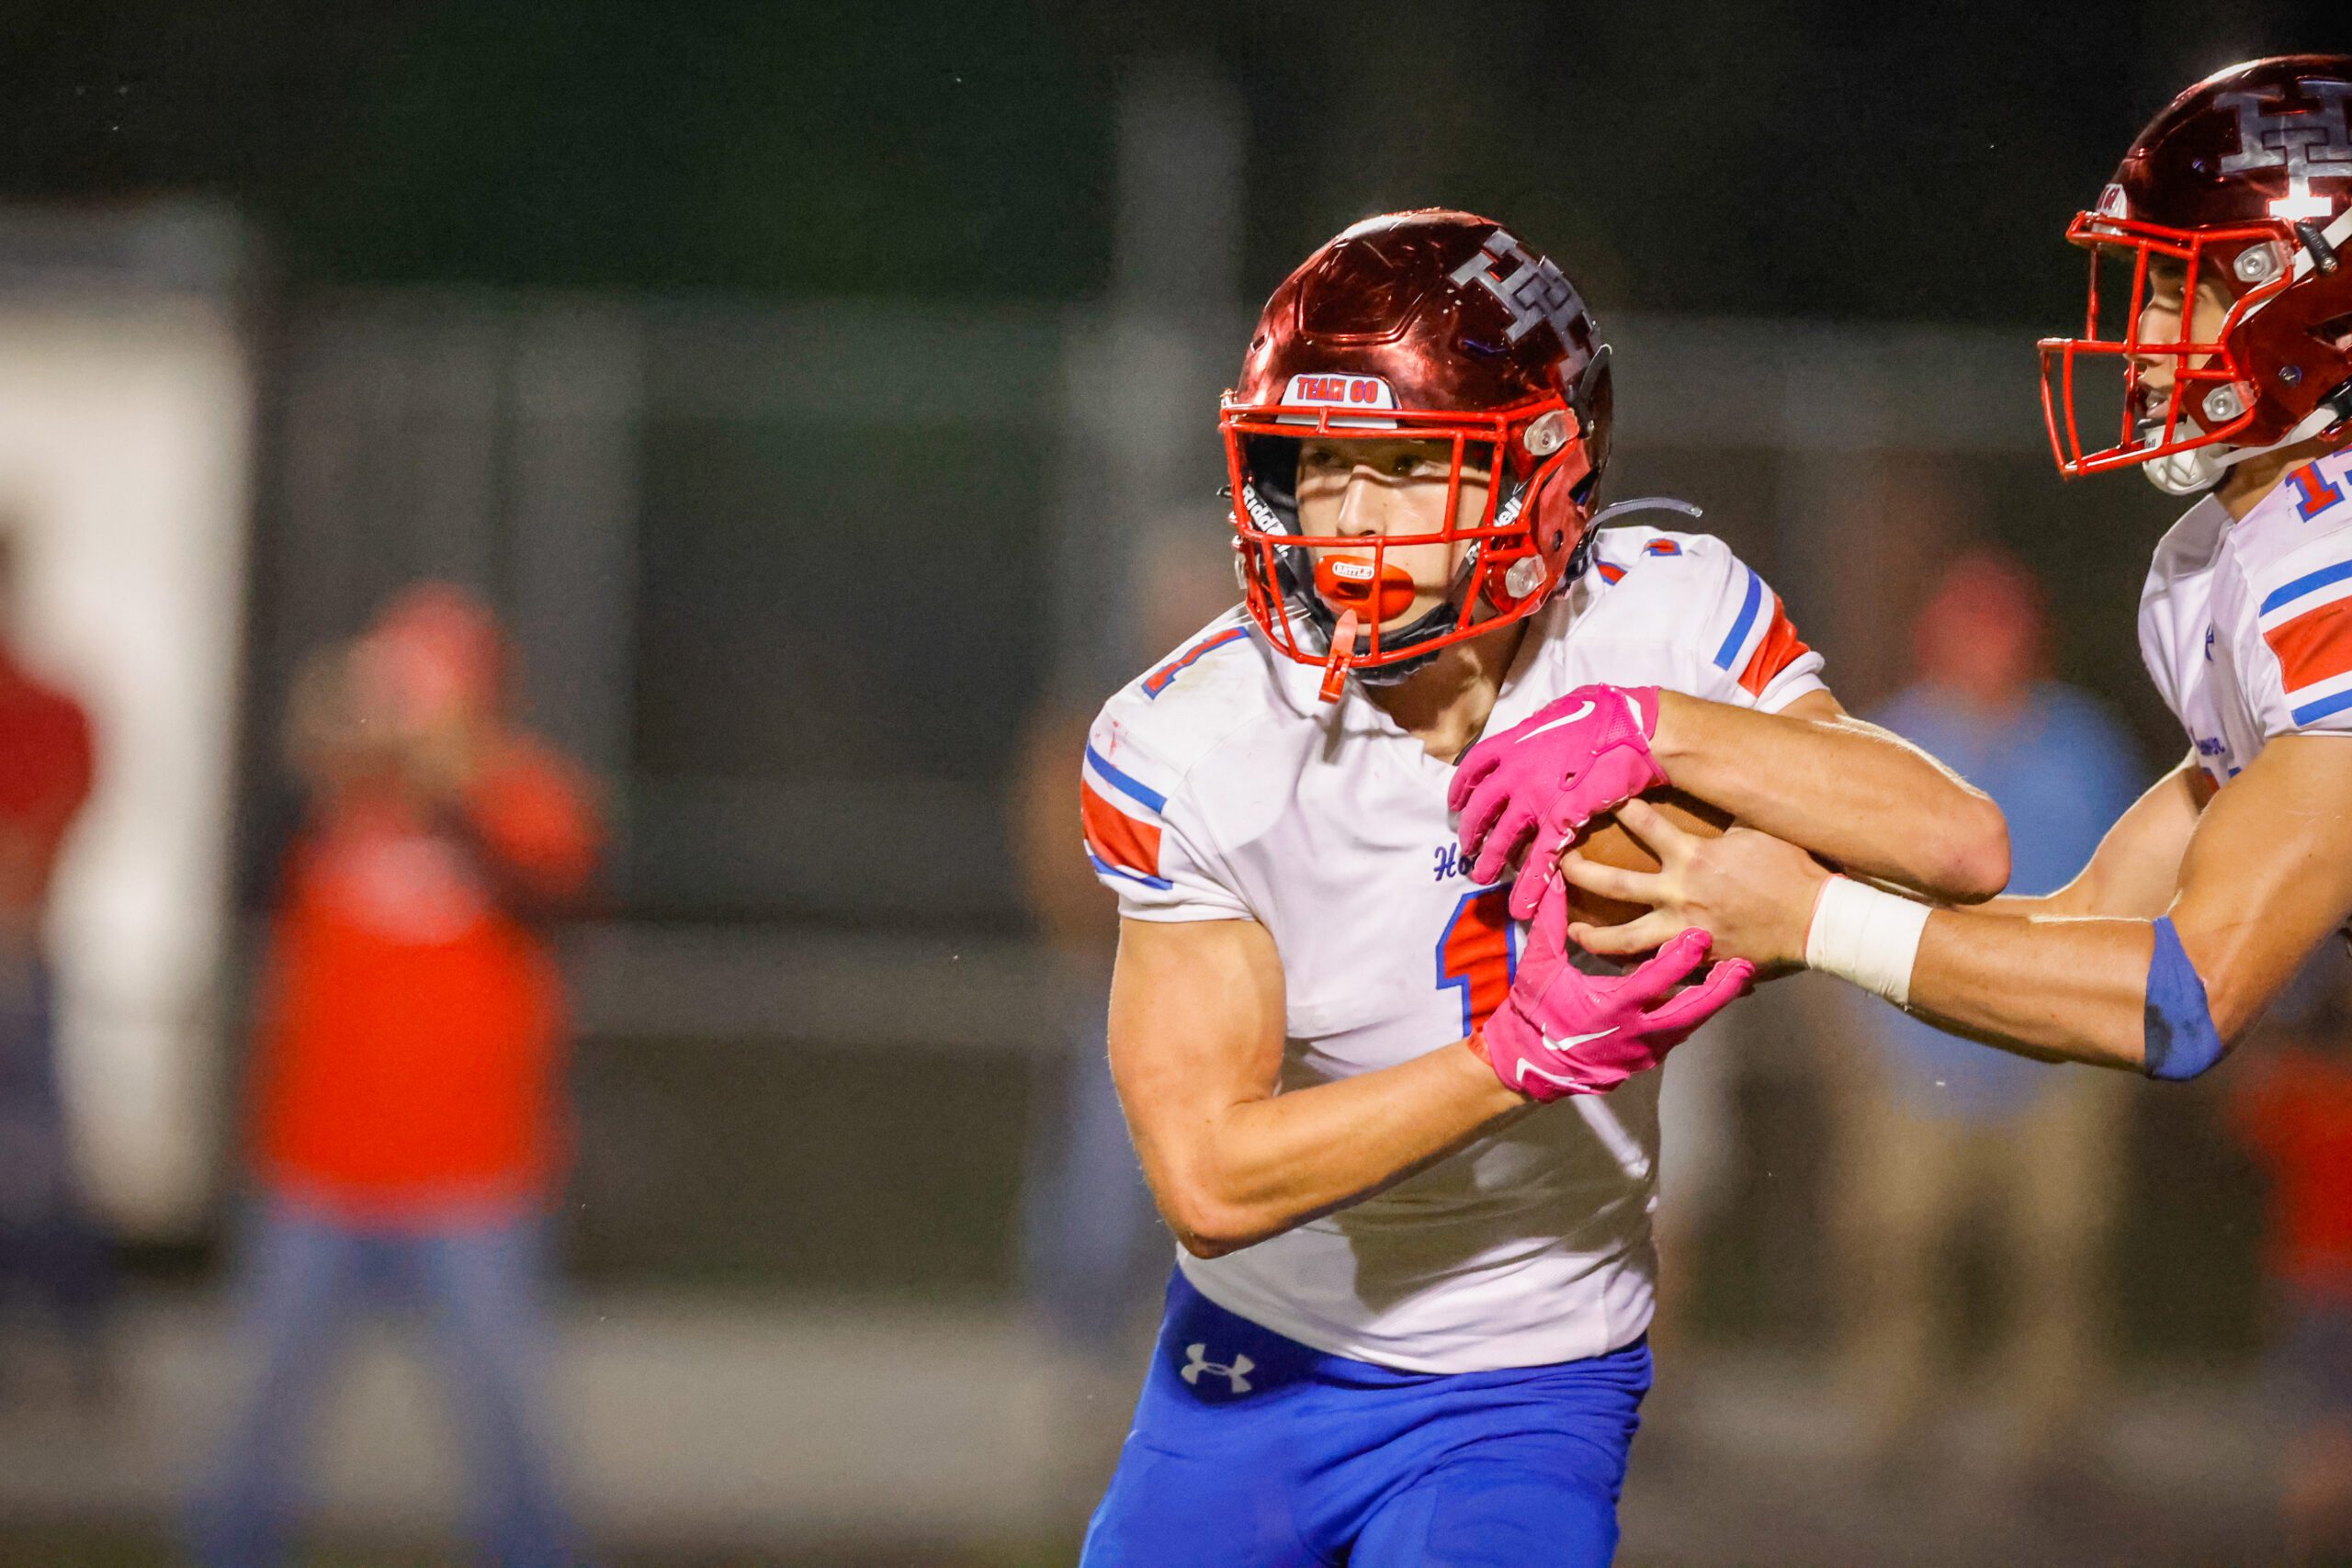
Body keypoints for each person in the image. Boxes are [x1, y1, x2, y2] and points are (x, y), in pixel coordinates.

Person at [1078, 209, 2008, 1566]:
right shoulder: (1196, 737)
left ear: (1543, 475)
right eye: (1321, 464)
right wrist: (1513, 1059)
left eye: (1407, 467)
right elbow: (1210, 1179)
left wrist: (1661, 726)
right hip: (1257, 1357)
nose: (1349, 519)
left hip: (1530, 1371)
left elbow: (1955, 842)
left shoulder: (1657, 620)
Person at [1493, 55, 2352, 1102]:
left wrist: (1813, 916)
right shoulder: (2220, 559)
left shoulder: (2327, 566)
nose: (2144, 335)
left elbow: (2184, 998)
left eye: (2184, 290)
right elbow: (2086, 925)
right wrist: (1782, 900)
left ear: (2323, 308)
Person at [190, 582, 600, 1568]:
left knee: (505, 1419)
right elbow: (247, 882)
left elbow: (550, 900)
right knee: (261, 1413)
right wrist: (324, 767)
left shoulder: (527, 796)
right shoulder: (335, 804)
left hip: (473, 1175)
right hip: (318, 1168)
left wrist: (446, 789)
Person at [1834, 548, 2142, 1475]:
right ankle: (1893, 1420)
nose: (1986, 650)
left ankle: (2055, 1433)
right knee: (1897, 1247)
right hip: (1919, 1047)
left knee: (2062, 1250)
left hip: (2059, 1046)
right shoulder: (1888, 742)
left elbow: (2137, 887)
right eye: (1968, 630)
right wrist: (1863, 1037)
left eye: (2002, 630)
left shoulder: (2082, 745)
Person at [0, 531, 107, 1400]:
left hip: (17, 957)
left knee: (38, 1160)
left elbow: (42, 829)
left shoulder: (46, 703)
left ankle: (80, 1342)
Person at [2227, 950, 2352, 1564]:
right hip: (2316, 1287)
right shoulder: (2306, 1093)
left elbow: (2244, 1115)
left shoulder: (2299, 1092)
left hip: (2312, 1286)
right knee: (2326, 1424)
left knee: (2321, 1424)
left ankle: (2310, 1540)